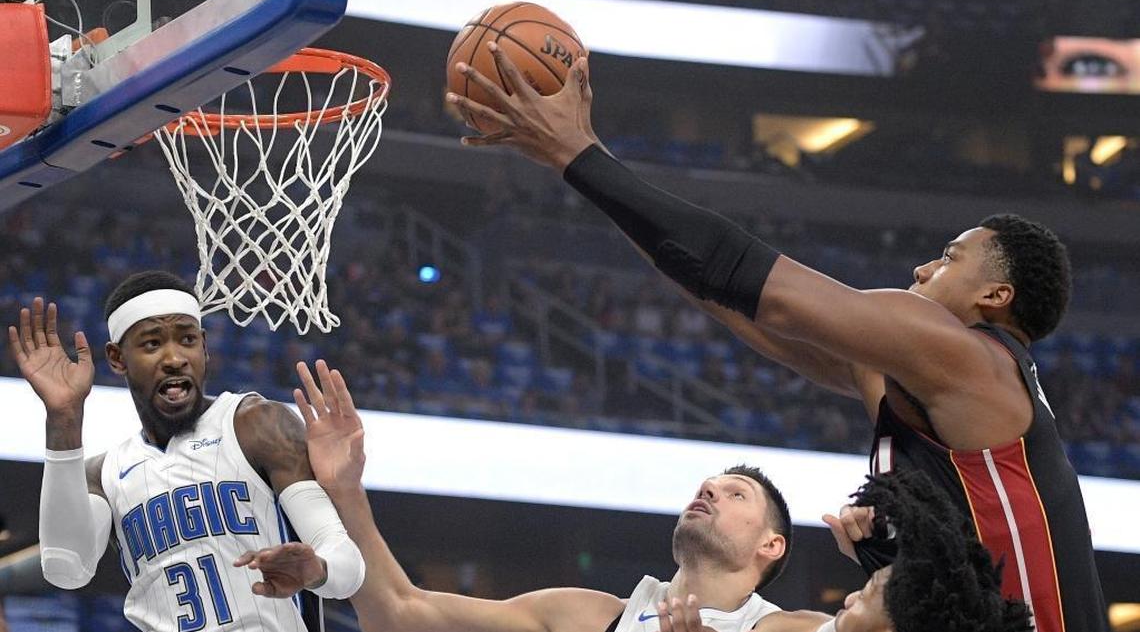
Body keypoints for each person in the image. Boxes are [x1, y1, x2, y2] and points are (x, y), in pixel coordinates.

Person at [443, 43, 1108, 631]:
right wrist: (587, 168)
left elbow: (756, 280)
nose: (923, 268)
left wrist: (577, 155)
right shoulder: (920, 385)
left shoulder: (969, 358)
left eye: (949, 257)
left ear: (995, 297)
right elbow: (722, 289)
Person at [242, 361, 1034, 632]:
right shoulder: (589, 613)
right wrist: (344, 491)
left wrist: (886, 550)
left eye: (733, 493)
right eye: (705, 483)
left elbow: (942, 607)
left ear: (773, 547)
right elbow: (399, 615)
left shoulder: (801, 626)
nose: (707, 491)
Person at [6, 271, 366, 632]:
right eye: (151, 344)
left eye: (188, 339)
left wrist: (317, 569)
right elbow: (66, 569)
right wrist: (64, 417)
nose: (175, 358)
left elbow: (346, 563)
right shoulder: (103, 473)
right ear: (117, 358)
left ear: (205, 348)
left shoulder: (257, 424)